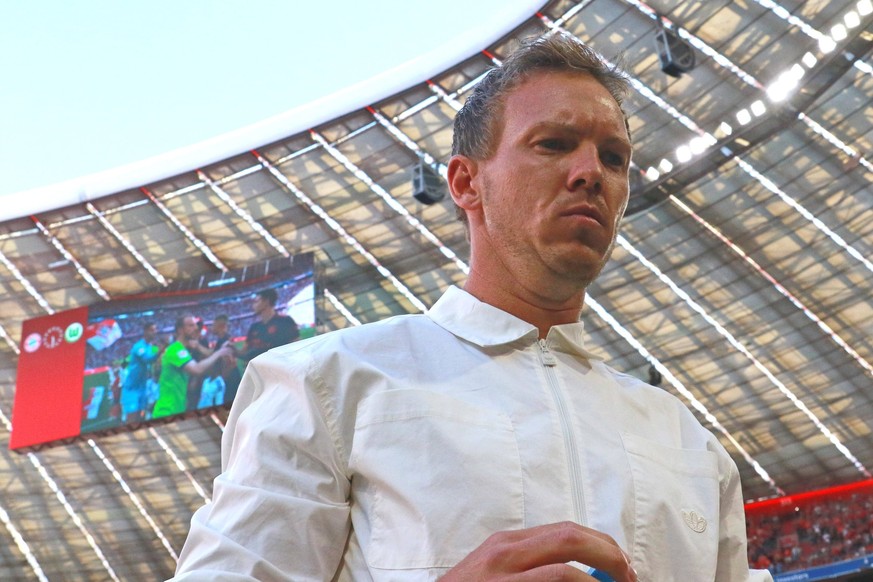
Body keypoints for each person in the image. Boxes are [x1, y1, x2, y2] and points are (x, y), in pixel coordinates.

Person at [173, 34, 771, 581]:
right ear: (464, 183)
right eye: (554, 144)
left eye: (613, 158)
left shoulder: (689, 442)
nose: (591, 173)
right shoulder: (326, 383)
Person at [152, 315, 234, 419]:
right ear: (180, 330)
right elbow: (197, 369)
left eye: (195, 325)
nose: (195, 328)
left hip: (176, 409)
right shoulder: (175, 350)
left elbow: (205, 367)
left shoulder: (182, 349)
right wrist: (219, 353)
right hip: (167, 411)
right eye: (191, 325)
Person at [239, 288, 299, 361]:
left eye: (256, 301)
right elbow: (244, 352)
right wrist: (230, 349)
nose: (253, 305)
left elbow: (297, 347)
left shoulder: (285, 321)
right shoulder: (254, 327)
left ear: (266, 301)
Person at [120, 322, 162, 423]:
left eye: (156, 330)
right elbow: (148, 359)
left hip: (142, 387)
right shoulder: (139, 346)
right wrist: (161, 349)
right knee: (131, 419)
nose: (155, 332)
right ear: (146, 331)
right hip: (132, 388)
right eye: (152, 330)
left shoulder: (149, 346)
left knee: (140, 417)